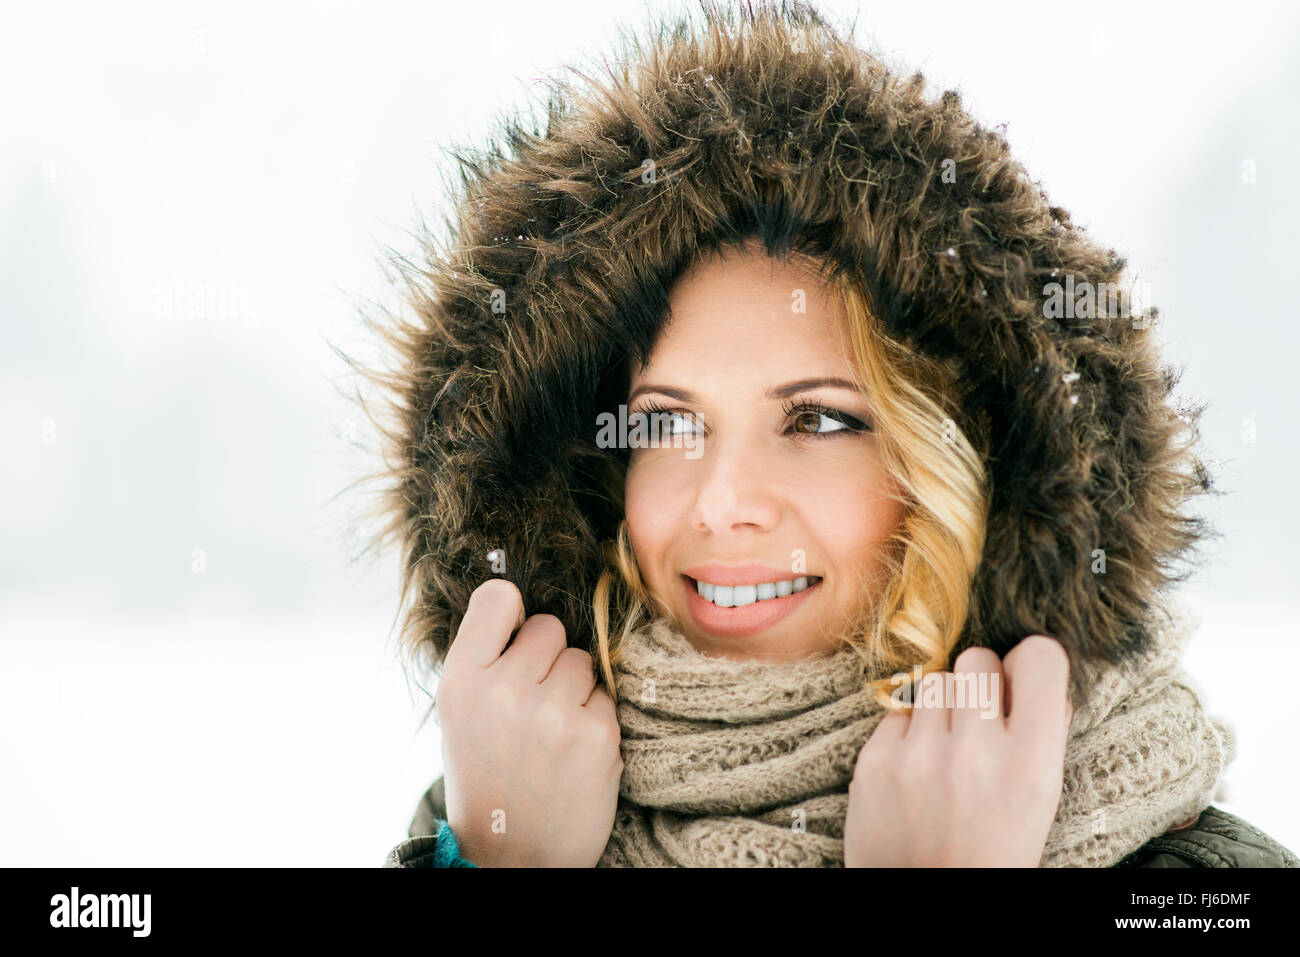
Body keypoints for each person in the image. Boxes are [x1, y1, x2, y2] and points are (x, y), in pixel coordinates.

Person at [354, 0, 1297, 867]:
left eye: (818, 419)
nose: (722, 503)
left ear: (961, 465)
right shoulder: (496, 807)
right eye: (670, 422)